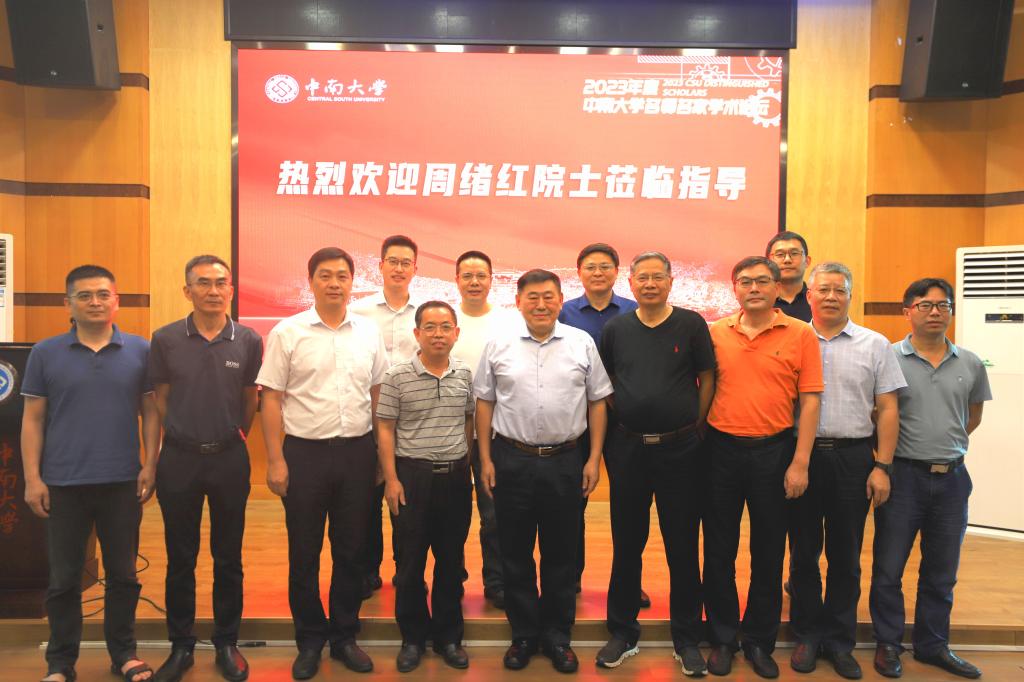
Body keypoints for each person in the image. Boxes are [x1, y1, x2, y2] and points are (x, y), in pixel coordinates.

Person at [22, 265, 159, 682]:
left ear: (117, 300)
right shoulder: (45, 352)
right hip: (62, 483)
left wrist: (150, 464)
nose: (95, 302)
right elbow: (33, 419)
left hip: (122, 482)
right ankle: (61, 663)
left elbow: (151, 412)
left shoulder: (140, 350)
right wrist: (32, 478)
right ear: (68, 303)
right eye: (84, 295)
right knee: (64, 579)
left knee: (123, 575)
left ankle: (124, 654)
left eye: (103, 294)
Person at [257, 247, 389, 679]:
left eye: (342, 276)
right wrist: (275, 459)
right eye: (325, 275)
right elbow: (271, 398)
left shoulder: (368, 332)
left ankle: (345, 636)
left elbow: (377, 393)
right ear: (311, 280)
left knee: (352, 551)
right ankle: (310, 639)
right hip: (304, 455)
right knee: (305, 552)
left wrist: (378, 454)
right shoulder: (288, 332)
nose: (334, 283)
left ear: (352, 281)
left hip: (357, 453)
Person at [475, 269, 613, 673]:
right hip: (511, 459)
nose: (540, 304)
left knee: (561, 553)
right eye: (532, 297)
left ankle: (557, 636)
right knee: (514, 552)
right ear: (518, 302)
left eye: (548, 297)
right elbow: (484, 402)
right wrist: (485, 458)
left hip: (565, 460)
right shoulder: (498, 344)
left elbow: (598, 401)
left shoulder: (581, 342)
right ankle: (523, 635)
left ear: (560, 300)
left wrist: (594, 458)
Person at [702, 256, 823, 679]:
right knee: (718, 550)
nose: (753, 288)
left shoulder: (801, 333)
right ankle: (722, 637)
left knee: (769, 552)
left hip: (775, 452)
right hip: (720, 451)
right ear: (734, 288)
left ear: (776, 287)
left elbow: (810, 401)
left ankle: (758, 640)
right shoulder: (715, 332)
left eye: (762, 281)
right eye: (745, 281)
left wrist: (800, 462)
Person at [595, 252, 715, 675]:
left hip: (681, 450)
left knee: (682, 544)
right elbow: (606, 382)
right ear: (630, 283)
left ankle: (687, 638)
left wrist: (696, 423)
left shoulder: (691, 324)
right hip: (628, 449)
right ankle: (622, 632)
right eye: (642, 277)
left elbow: (708, 377)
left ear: (670, 281)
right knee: (627, 543)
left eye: (657, 277)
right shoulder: (616, 328)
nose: (649, 284)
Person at [787, 262, 905, 680]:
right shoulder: (793, 339)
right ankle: (806, 635)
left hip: (853, 458)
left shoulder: (875, 344)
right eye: (823, 290)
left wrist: (882, 466)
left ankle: (840, 641)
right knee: (803, 553)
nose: (831, 297)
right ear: (809, 295)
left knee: (846, 555)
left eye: (840, 290)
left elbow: (888, 408)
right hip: (800, 457)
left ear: (850, 296)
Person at [869, 278, 991, 680]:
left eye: (943, 305)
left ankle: (933, 645)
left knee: (942, 570)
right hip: (902, 475)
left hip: (953, 479)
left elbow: (972, 416)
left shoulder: (970, 362)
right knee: (889, 568)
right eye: (925, 305)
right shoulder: (887, 357)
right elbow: (876, 414)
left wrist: (943, 448)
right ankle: (888, 643)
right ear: (907, 311)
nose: (935, 312)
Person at [149, 256, 263, 682]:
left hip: (229, 458)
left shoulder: (248, 340)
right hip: (179, 459)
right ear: (187, 291)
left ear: (231, 289)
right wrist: (182, 433)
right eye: (203, 283)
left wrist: (233, 435)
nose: (213, 291)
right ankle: (181, 646)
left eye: (221, 283)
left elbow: (250, 398)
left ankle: (226, 642)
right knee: (180, 557)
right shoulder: (165, 339)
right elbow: (161, 398)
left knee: (228, 556)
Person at [376, 301, 475, 673]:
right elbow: (385, 428)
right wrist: (392, 479)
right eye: (430, 327)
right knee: (410, 564)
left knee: (451, 562)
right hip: (411, 478)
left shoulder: (464, 373)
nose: (438, 334)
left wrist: (463, 463)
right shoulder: (397, 376)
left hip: (454, 480)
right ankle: (413, 639)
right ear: (417, 333)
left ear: (456, 333)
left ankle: (449, 638)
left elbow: (468, 419)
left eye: (445, 327)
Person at [558, 243, 649, 607]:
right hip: (577, 419)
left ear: (616, 272)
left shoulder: (634, 310)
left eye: (605, 266)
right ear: (579, 272)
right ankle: (569, 580)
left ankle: (629, 583)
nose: (598, 273)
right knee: (572, 503)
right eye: (590, 267)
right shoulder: (563, 312)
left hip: (626, 420)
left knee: (629, 506)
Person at [350, 234, 420, 598]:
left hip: (411, 425)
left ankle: (407, 573)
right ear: (380, 266)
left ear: (415, 269)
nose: (399, 268)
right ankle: (367, 572)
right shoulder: (358, 312)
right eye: (392, 261)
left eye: (406, 262)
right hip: (366, 419)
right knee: (366, 503)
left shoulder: (426, 312)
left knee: (405, 504)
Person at [449, 250, 507, 610]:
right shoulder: (444, 319)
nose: (474, 282)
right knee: (452, 515)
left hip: (495, 435)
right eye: (467, 275)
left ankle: (497, 581)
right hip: (448, 434)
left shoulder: (508, 322)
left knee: (495, 515)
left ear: (491, 280)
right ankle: (451, 577)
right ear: (456, 280)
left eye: (480, 275)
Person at [766, 230, 812, 322]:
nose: (787, 260)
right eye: (780, 254)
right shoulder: (760, 302)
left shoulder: (817, 301)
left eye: (794, 253)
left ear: (807, 261)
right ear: (768, 263)